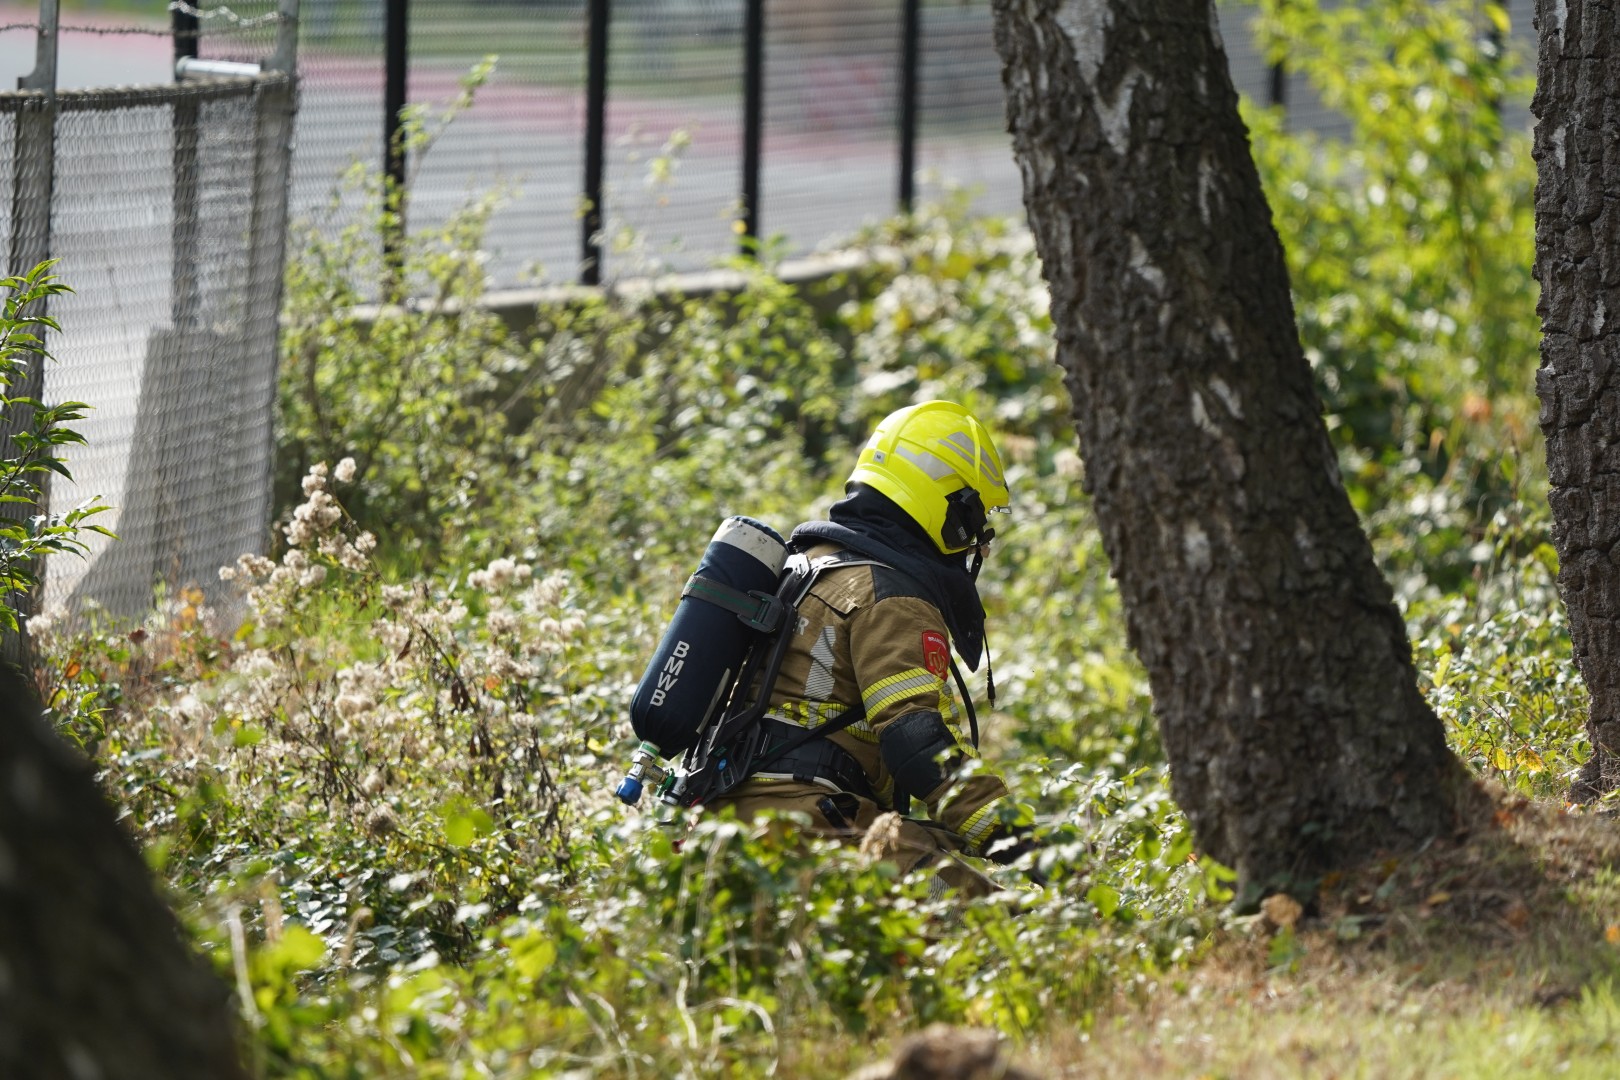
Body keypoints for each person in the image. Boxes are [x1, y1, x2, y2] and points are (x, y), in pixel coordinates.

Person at [711, 400, 1030, 896]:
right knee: (995, 933)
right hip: (807, 832)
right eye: (974, 519)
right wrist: (1029, 846)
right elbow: (919, 746)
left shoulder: (805, 568)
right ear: (947, 505)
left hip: (724, 827)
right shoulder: (890, 595)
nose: (978, 544)